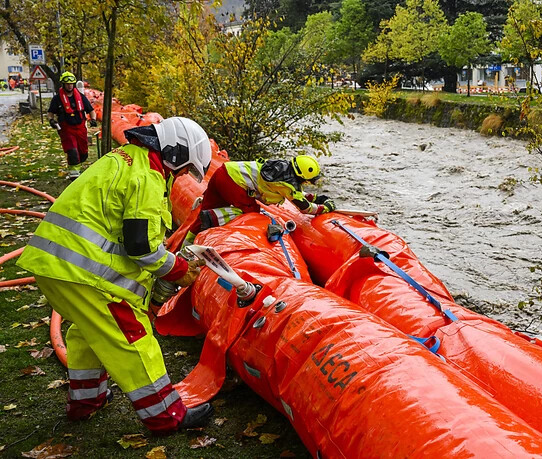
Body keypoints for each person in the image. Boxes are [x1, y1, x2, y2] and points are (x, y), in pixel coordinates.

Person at [17, 117, 215, 435]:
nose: (181, 177)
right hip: (84, 274)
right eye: (184, 169)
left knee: (87, 334)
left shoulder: (124, 158)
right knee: (133, 340)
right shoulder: (148, 176)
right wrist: (178, 269)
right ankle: (166, 417)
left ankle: (87, 401)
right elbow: (141, 247)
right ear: (175, 154)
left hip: (53, 265)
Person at [185, 155, 335, 242]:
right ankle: (212, 219)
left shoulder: (281, 167)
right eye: (308, 180)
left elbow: (295, 195)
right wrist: (325, 207)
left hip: (224, 172)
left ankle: (186, 245)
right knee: (252, 214)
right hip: (234, 185)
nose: (308, 183)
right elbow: (305, 208)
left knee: (204, 211)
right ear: (302, 176)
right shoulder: (288, 185)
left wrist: (314, 197)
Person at [47, 72, 97, 180]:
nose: (70, 86)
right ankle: (74, 176)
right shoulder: (57, 99)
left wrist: (93, 119)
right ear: (63, 84)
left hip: (80, 128)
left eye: (71, 84)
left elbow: (91, 110)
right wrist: (51, 121)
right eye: (67, 84)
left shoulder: (81, 97)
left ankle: (77, 166)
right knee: (72, 151)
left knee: (83, 153)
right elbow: (50, 112)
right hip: (66, 129)